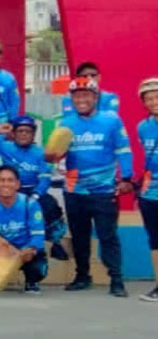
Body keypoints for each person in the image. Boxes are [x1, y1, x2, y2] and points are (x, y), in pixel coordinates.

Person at [56, 76, 132, 297]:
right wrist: (52, 155)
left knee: (108, 235)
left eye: (86, 95)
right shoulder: (66, 123)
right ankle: (82, 276)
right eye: (77, 96)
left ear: (95, 97)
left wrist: (126, 177)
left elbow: (123, 150)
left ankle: (116, 279)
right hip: (74, 190)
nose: (82, 99)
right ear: (72, 98)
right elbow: (56, 154)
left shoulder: (111, 120)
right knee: (79, 235)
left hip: (104, 190)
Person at [0, 116, 68, 261]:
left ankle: (55, 242)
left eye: (28, 131)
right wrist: (4, 131)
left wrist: (36, 195)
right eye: (20, 131)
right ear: (14, 134)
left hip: (33, 191)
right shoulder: (5, 147)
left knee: (50, 204)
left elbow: (45, 177)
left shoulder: (40, 153)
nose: (24, 134)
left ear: (33, 134)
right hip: (10, 191)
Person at [0, 165, 48, 295]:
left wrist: (30, 249)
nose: (5, 184)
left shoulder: (30, 204)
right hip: (4, 249)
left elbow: (38, 234)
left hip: (25, 249)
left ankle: (32, 281)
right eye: (1, 180)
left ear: (18, 184)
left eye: (10, 180)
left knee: (38, 256)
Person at [135, 77, 158, 302]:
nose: (153, 101)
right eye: (148, 98)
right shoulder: (143, 127)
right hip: (151, 193)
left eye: (156, 96)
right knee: (155, 241)